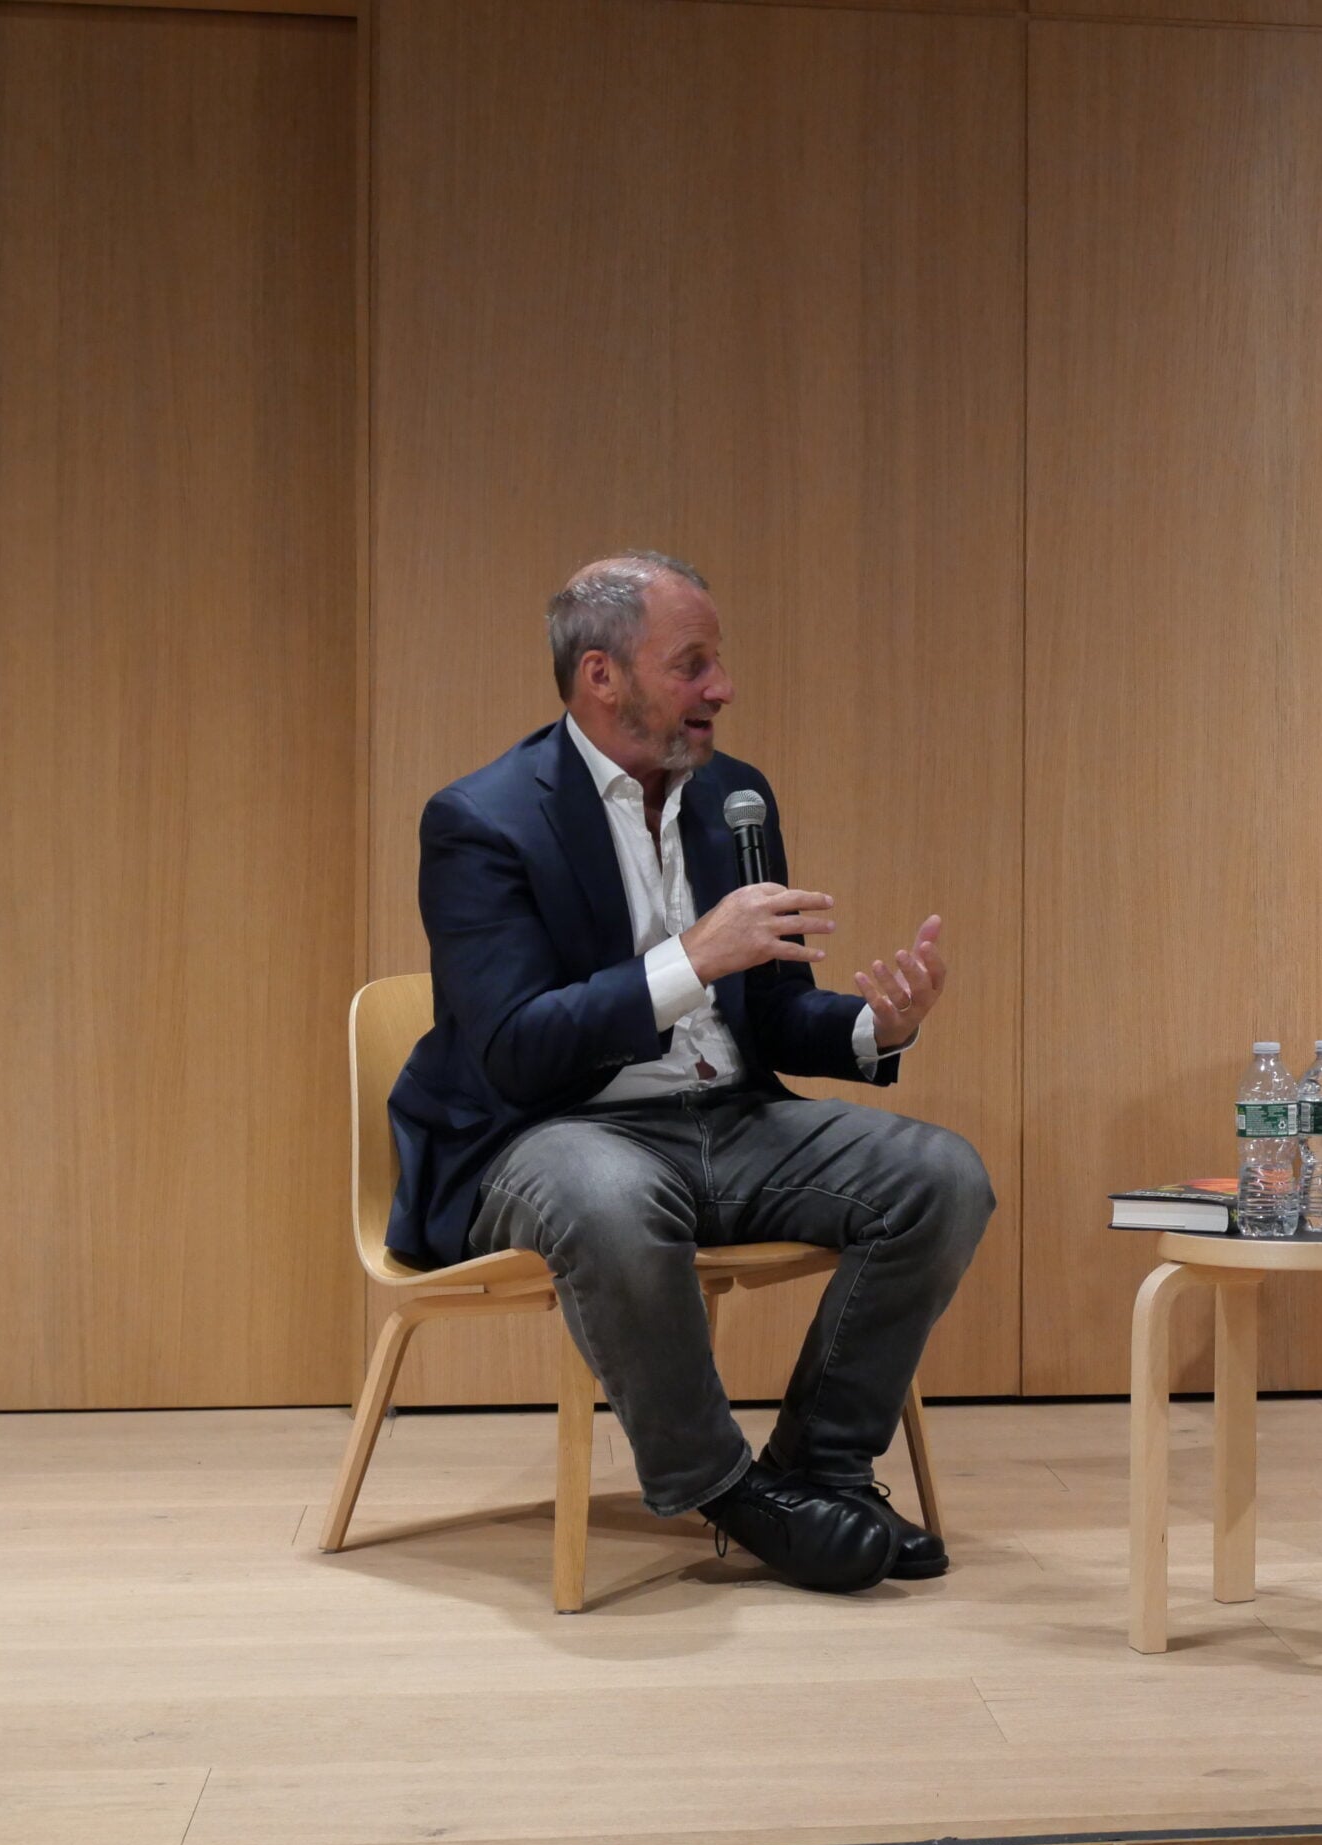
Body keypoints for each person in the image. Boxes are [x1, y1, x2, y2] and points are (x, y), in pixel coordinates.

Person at [385, 551, 994, 1595]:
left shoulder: (736, 798)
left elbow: (766, 1016)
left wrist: (872, 1029)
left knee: (940, 1177)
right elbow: (514, 1048)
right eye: (692, 664)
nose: (722, 689)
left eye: (718, 664)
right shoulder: (483, 821)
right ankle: (732, 1494)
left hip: (728, 1117)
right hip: (547, 1132)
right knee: (610, 1200)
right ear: (600, 677)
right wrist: (689, 959)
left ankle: (820, 1470)